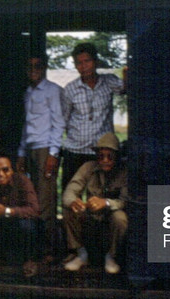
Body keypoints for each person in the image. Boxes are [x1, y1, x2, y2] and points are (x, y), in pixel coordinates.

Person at [60, 42, 124, 193]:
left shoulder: (109, 82)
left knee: (96, 198)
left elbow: (128, 88)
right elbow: (63, 120)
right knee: (70, 196)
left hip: (100, 154)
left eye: (87, 61)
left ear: (95, 62)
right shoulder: (70, 89)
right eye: (79, 63)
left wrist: (128, 72)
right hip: (74, 151)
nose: (83, 66)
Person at [60, 132, 128, 274]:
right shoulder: (88, 167)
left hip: (110, 219)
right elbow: (70, 191)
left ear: (117, 156)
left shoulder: (124, 172)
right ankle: (81, 254)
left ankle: (111, 256)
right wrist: (74, 202)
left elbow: (125, 201)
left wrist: (106, 203)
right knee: (68, 209)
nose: (105, 160)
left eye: (110, 156)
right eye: (101, 156)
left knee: (120, 218)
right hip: (91, 218)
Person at [17, 57, 63, 250]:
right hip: (30, 150)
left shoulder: (53, 90)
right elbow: (26, 125)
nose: (33, 69)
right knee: (31, 199)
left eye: (37, 66)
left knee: (45, 202)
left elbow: (59, 122)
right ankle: (34, 248)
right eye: (30, 66)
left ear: (44, 68)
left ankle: (49, 250)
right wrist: (21, 152)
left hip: (45, 150)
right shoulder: (27, 93)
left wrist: (53, 154)